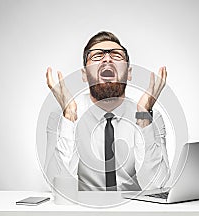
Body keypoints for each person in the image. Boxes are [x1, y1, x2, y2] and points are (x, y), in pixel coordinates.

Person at [45, 31, 170, 191]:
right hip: (84, 211)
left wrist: (144, 117)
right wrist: (69, 117)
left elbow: (156, 185)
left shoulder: (151, 116)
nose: (107, 59)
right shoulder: (61, 116)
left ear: (129, 73)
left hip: (133, 211)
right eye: (97, 56)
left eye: (116, 55)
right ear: (84, 75)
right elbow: (55, 185)